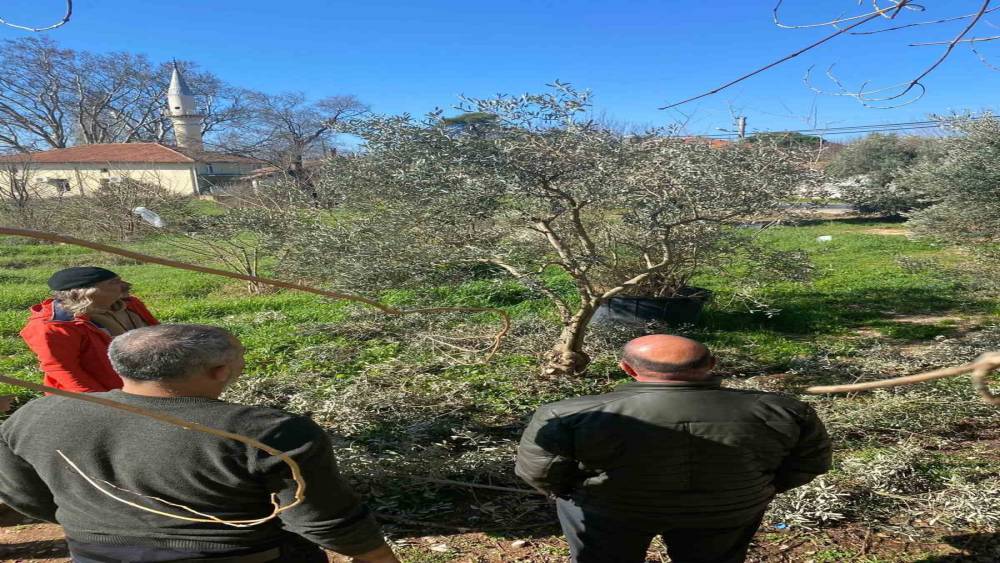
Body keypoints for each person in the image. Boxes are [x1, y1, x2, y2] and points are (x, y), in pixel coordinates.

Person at [0, 324, 399, 563]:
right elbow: (320, 517)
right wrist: (376, 555)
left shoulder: (37, 413)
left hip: (97, 553)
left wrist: (97, 522)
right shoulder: (266, 430)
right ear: (221, 370)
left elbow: (22, 495)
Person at [516, 334, 832, 563]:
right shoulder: (784, 409)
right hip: (728, 509)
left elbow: (540, 473)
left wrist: (576, 493)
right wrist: (760, 488)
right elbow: (810, 462)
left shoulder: (566, 413)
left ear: (626, 368)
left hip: (612, 511)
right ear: (712, 364)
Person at [20, 266, 158, 393]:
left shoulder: (131, 304)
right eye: (114, 282)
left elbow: (160, 335)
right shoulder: (55, 326)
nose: (126, 285)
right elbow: (63, 370)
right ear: (86, 292)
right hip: (104, 394)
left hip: (147, 384)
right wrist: (102, 401)